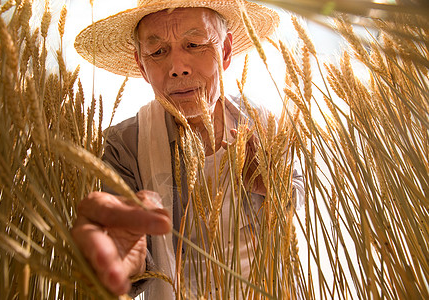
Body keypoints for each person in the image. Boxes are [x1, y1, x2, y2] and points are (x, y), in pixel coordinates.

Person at [72, 0, 295, 298]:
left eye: (195, 43)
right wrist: (126, 260)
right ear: (142, 65)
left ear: (225, 51)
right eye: (158, 51)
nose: (177, 68)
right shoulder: (124, 144)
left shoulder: (265, 123)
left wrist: (275, 190)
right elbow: (124, 252)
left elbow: (295, 203)